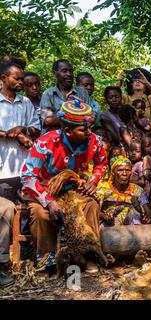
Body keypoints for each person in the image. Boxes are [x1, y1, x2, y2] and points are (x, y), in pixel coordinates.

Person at [21, 99, 108, 273]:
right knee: (41, 214)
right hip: (44, 192)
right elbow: (28, 177)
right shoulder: (46, 143)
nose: (89, 133)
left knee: (91, 205)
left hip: (73, 191)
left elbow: (102, 162)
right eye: (83, 129)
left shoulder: (94, 142)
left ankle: (89, 255)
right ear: (67, 130)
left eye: (90, 128)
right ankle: (48, 261)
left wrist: (94, 180)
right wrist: (50, 202)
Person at [0, 61, 41, 286]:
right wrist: (10, 134)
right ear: (4, 78)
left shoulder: (25, 102)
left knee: (26, 213)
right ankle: (4, 263)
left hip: (25, 168)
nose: (20, 81)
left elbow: (36, 126)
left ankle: (26, 258)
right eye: (16, 78)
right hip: (3, 169)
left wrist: (23, 129)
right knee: (3, 214)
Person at [96, 156, 151, 228]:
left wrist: (147, 218)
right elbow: (94, 211)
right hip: (109, 226)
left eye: (128, 170)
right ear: (113, 172)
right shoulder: (103, 188)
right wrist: (104, 216)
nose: (124, 173)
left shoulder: (137, 190)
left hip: (132, 227)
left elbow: (149, 212)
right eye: (120, 170)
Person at [40, 60, 91, 132]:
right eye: (64, 71)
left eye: (71, 71)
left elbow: (89, 118)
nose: (69, 74)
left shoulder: (82, 92)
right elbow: (48, 121)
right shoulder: (48, 94)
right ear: (54, 73)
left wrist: (60, 118)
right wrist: (77, 118)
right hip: (54, 139)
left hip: (78, 138)